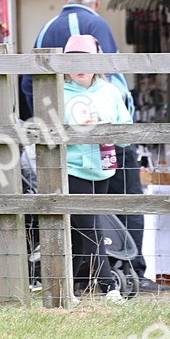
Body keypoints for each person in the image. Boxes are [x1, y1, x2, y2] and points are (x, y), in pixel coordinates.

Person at [24, 0, 164, 293]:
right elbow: (114, 80)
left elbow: (27, 85)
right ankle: (120, 276)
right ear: (97, 0)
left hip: (87, 159)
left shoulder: (45, 30)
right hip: (86, 159)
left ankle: (76, 282)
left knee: (82, 223)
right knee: (110, 215)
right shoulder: (98, 27)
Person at [62, 34, 132, 300]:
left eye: (87, 60)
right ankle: (109, 288)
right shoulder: (57, 93)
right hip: (71, 169)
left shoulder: (111, 91)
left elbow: (126, 135)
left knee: (81, 234)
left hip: (103, 169)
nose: (80, 66)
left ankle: (68, 286)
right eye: (72, 60)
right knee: (91, 229)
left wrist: (108, 130)